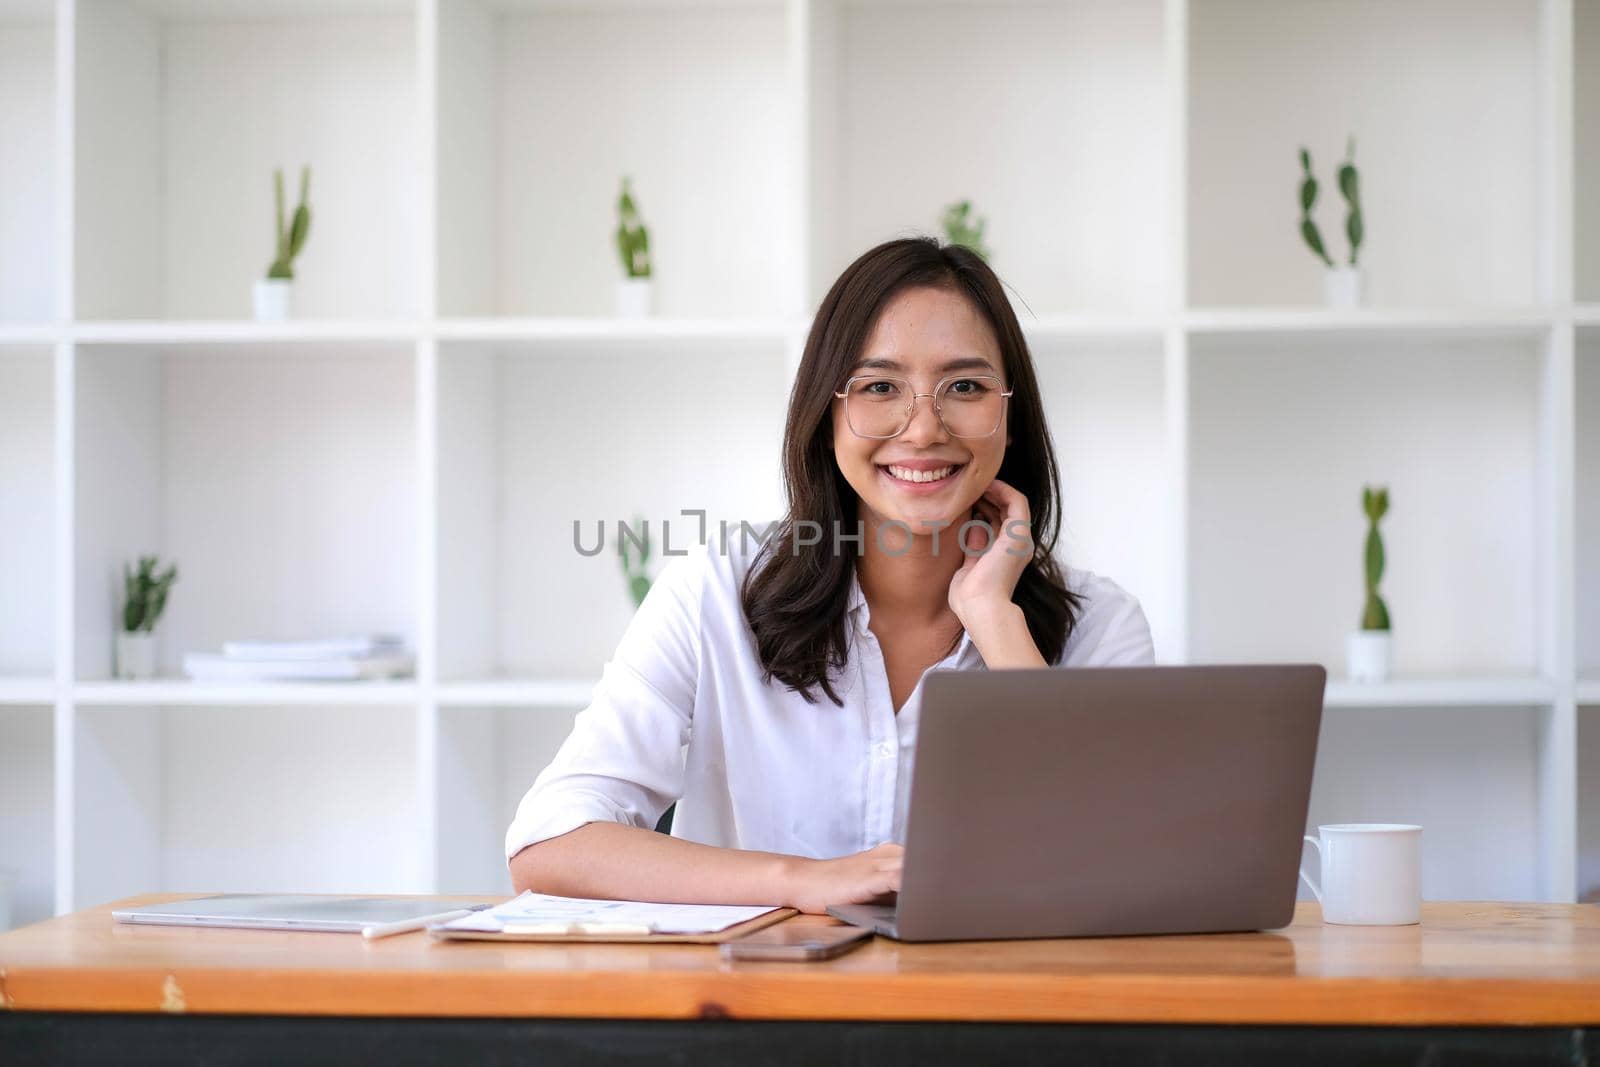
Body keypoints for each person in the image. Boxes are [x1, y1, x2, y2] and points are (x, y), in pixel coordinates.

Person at [505, 237, 1155, 914]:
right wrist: (803, 881)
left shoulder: (1099, 624)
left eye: (965, 386)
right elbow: (549, 842)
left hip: (996, 1010)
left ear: (1010, 416)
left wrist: (994, 618)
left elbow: (1119, 866)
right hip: (757, 1010)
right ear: (828, 414)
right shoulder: (717, 591)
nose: (924, 428)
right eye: (880, 387)